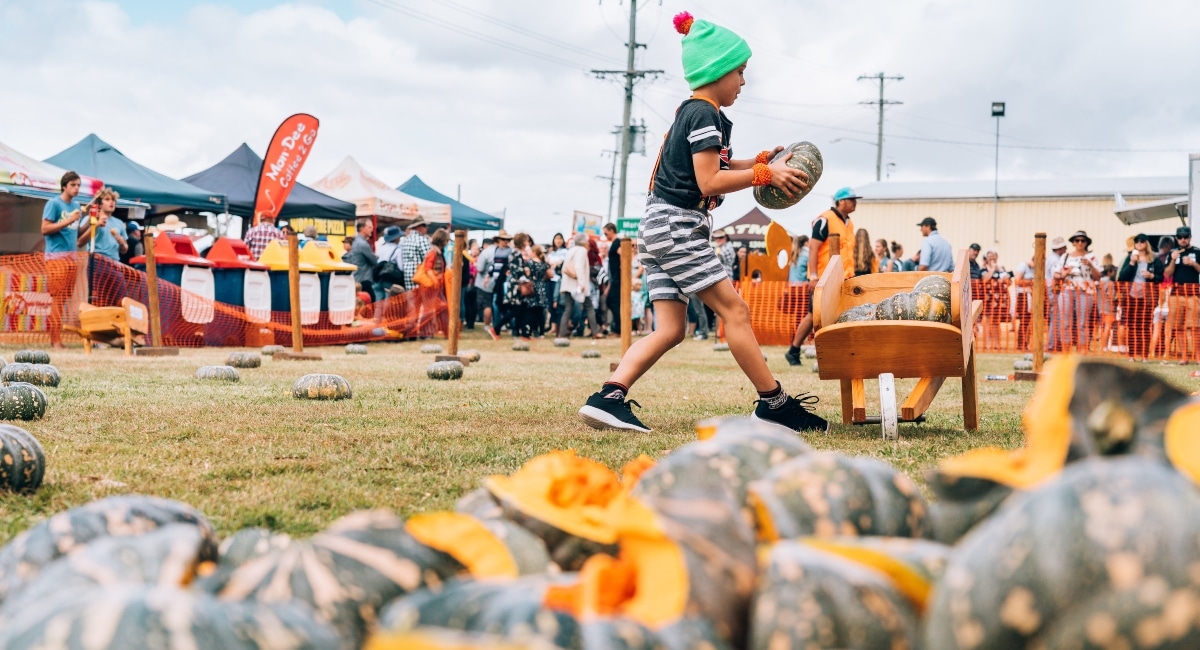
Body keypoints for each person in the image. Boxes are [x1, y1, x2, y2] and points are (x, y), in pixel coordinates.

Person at [578, 13, 827, 434]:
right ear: (717, 71)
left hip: (659, 226)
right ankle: (775, 404)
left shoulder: (693, 114)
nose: (743, 83)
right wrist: (766, 175)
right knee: (736, 311)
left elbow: (720, 165)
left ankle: (609, 396)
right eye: (740, 72)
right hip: (677, 226)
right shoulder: (702, 114)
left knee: (672, 328)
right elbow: (709, 180)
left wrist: (760, 161)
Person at [783, 187, 859, 366]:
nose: (855, 202)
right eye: (852, 199)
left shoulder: (849, 223)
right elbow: (814, 249)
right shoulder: (825, 220)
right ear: (840, 201)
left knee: (836, 315)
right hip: (824, 278)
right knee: (814, 315)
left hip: (845, 278)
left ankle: (799, 351)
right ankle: (794, 351)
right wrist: (814, 276)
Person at [42, 171, 85, 348]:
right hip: (56, 258)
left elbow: (76, 235)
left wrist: (91, 224)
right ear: (64, 186)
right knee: (57, 300)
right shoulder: (54, 204)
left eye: (78, 185)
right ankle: (55, 340)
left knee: (65, 299)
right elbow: (45, 229)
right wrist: (70, 220)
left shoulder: (76, 205)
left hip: (71, 258)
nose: (76, 188)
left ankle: (58, 338)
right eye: (73, 185)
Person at [1051, 230, 1101, 353]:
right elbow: (1056, 274)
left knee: (1083, 323)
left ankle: (1082, 352)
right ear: (1073, 242)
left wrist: (1090, 265)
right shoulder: (1065, 256)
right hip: (1067, 290)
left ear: (1086, 243)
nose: (1079, 243)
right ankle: (1066, 352)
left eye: (1082, 240)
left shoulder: (1091, 256)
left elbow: (1098, 276)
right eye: (1077, 240)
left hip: (1085, 291)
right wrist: (1066, 273)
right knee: (1065, 322)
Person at [1118, 233, 1163, 362]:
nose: (1139, 243)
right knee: (1131, 326)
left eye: (1142, 241)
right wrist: (1132, 263)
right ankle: (1131, 355)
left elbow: (1161, 277)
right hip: (1131, 296)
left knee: (1144, 326)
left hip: (1147, 297)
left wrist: (1152, 276)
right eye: (1137, 241)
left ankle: (1144, 355)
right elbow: (1122, 277)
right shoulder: (1130, 258)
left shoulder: (1154, 259)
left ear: (1146, 243)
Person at [1164, 226, 1200, 364]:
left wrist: (1193, 263)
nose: (1183, 240)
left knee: (1195, 327)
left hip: (1193, 293)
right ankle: (1184, 356)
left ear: (1190, 237)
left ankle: (1198, 357)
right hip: (1176, 293)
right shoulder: (1172, 253)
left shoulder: (1197, 251)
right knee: (1178, 326)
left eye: (1185, 237)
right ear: (1176, 238)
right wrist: (1173, 260)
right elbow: (1167, 273)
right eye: (1180, 237)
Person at [559, 232, 600, 338]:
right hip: (577, 285)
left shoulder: (570, 250)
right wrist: (582, 283)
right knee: (589, 307)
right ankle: (595, 332)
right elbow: (579, 267)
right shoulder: (581, 251)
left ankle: (562, 333)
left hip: (568, 284)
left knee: (568, 308)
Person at [343, 219, 379, 301]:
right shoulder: (362, 244)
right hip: (364, 279)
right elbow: (374, 261)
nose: (372, 230)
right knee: (370, 302)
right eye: (369, 227)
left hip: (356, 277)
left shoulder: (355, 241)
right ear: (362, 228)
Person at [398, 218, 432, 292]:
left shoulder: (405, 240)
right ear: (418, 227)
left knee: (411, 302)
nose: (426, 228)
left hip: (408, 277)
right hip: (421, 278)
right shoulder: (422, 240)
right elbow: (429, 259)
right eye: (424, 225)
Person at [474, 238, 497, 336]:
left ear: (486, 244)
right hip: (496, 282)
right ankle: (498, 323)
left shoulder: (486, 253)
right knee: (495, 304)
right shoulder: (501, 252)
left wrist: (475, 264)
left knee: (486, 305)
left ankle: (487, 325)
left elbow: (480, 268)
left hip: (484, 283)